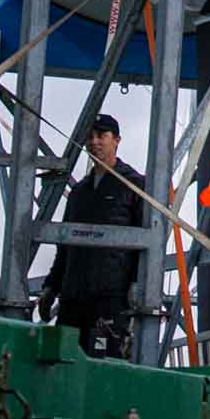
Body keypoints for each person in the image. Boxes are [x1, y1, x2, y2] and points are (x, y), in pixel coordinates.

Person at [40, 114, 145, 358]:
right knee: (62, 363)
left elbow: (145, 246)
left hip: (110, 298)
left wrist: (137, 283)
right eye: (90, 136)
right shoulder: (79, 192)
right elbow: (65, 246)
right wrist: (51, 287)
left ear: (116, 140)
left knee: (103, 365)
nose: (94, 142)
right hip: (72, 297)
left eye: (101, 136)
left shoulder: (133, 185)